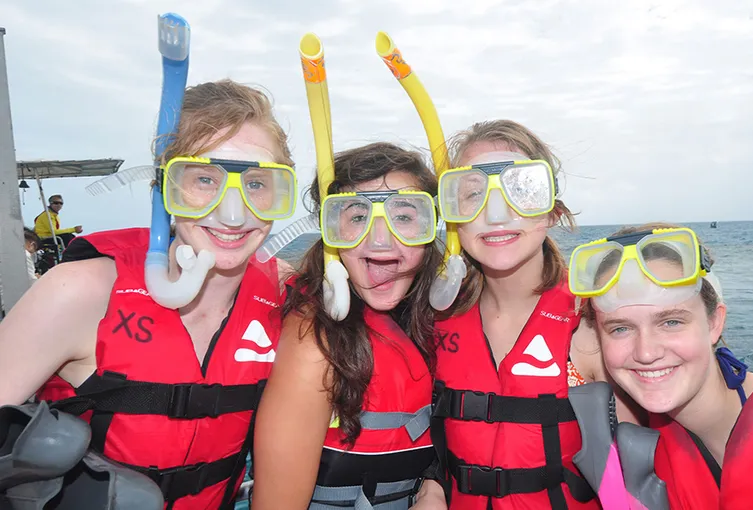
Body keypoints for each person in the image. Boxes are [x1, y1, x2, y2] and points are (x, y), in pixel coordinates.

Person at [0, 79, 297, 509]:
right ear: (165, 189)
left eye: (256, 184)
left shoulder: (285, 297)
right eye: (203, 179)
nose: (233, 214)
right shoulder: (81, 292)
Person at [422, 119, 647, 509]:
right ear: (452, 216)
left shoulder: (591, 324)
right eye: (472, 194)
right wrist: (432, 486)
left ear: (553, 209)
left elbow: (637, 471)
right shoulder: (434, 318)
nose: (496, 214)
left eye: (523, 190)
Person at [572, 222, 753, 509]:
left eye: (671, 322)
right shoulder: (640, 439)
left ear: (714, 322)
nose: (646, 352)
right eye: (621, 329)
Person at [252, 142, 443, 509]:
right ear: (329, 232)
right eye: (357, 217)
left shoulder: (438, 319)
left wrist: (435, 485)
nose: (380, 237)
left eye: (404, 216)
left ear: (431, 225)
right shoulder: (314, 343)